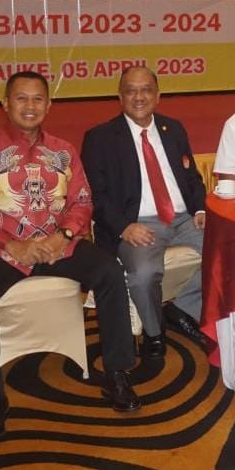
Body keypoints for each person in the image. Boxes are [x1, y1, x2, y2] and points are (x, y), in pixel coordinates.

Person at [0, 71, 139, 445]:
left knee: (109, 271)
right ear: (5, 104)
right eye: (21, 98)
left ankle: (116, 373)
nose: (30, 106)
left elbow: (82, 201)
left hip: (58, 245)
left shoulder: (63, 151)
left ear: (49, 105)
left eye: (38, 99)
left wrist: (63, 235)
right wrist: (10, 244)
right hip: (2, 251)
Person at [81, 66, 208, 361]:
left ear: (158, 95)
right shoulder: (100, 138)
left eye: (146, 90)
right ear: (120, 96)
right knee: (142, 275)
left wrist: (200, 208)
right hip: (138, 223)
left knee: (232, 252)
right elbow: (94, 195)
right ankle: (154, 331)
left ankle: (182, 308)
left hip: (184, 218)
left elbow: (192, 178)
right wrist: (124, 227)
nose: (139, 97)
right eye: (131, 91)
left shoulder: (173, 129)